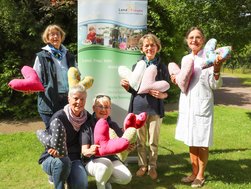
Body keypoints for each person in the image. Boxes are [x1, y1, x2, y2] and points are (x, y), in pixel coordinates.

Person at [170, 27, 224, 188]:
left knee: (202, 141)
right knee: (191, 140)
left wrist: (217, 69)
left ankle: (200, 175)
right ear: (187, 41)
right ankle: (193, 172)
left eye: (198, 37)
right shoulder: (185, 58)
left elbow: (215, 85)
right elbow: (182, 80)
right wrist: (175, 78)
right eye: (191, 37)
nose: (194, 40)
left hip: (203, 105)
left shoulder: (209, 58)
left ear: (203, 40)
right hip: (187, 105)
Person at [120, 33, 170, 180]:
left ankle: (152, 167)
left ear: (157, 47)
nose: (149, 48)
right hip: (138, 107)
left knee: (153, 141)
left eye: (152, 45)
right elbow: (134, 88)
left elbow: (168, 89)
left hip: (155, 109)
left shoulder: (161, 66)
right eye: (146, 45)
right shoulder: (137, 65)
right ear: (142, 48)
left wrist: (163, 96)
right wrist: (127, 87)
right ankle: (143, 165)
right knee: (141, 141)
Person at [38, 84, 90, 189]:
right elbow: (50, 139)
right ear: (69, 99)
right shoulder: (59, 117)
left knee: (81, 185)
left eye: (82, 99)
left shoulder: (87, 117)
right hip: (53, 158)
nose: (79, 102)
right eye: (75, 98)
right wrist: (51, 149)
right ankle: (56, 177)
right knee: (63, 162)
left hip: (74, 158)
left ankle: (65, 175)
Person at [81, 95, 132, 189]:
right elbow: (84, 151)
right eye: (100, 106)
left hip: (112, 159)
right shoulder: (87, 126)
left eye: (107, 107)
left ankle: (105, 180)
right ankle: (101, 185)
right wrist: (90, 150)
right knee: (105, 164)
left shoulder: (113, 125)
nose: (104, 110)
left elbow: (121, 143)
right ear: (93, 108)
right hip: (92, 161)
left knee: (126, 178)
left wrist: (127, 147)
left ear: (110, 109)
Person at [33, 24, 77, 129]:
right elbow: (35, 77)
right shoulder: (42, 56)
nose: (55, 37)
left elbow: (77, 74)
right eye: (51, 35)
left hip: (68, 99)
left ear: (61, 36)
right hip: (50, 100)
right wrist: (30, 88)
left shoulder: (69, 55)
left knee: (67, 131)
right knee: (52, 132)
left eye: (57, 34)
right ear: (47, 38)